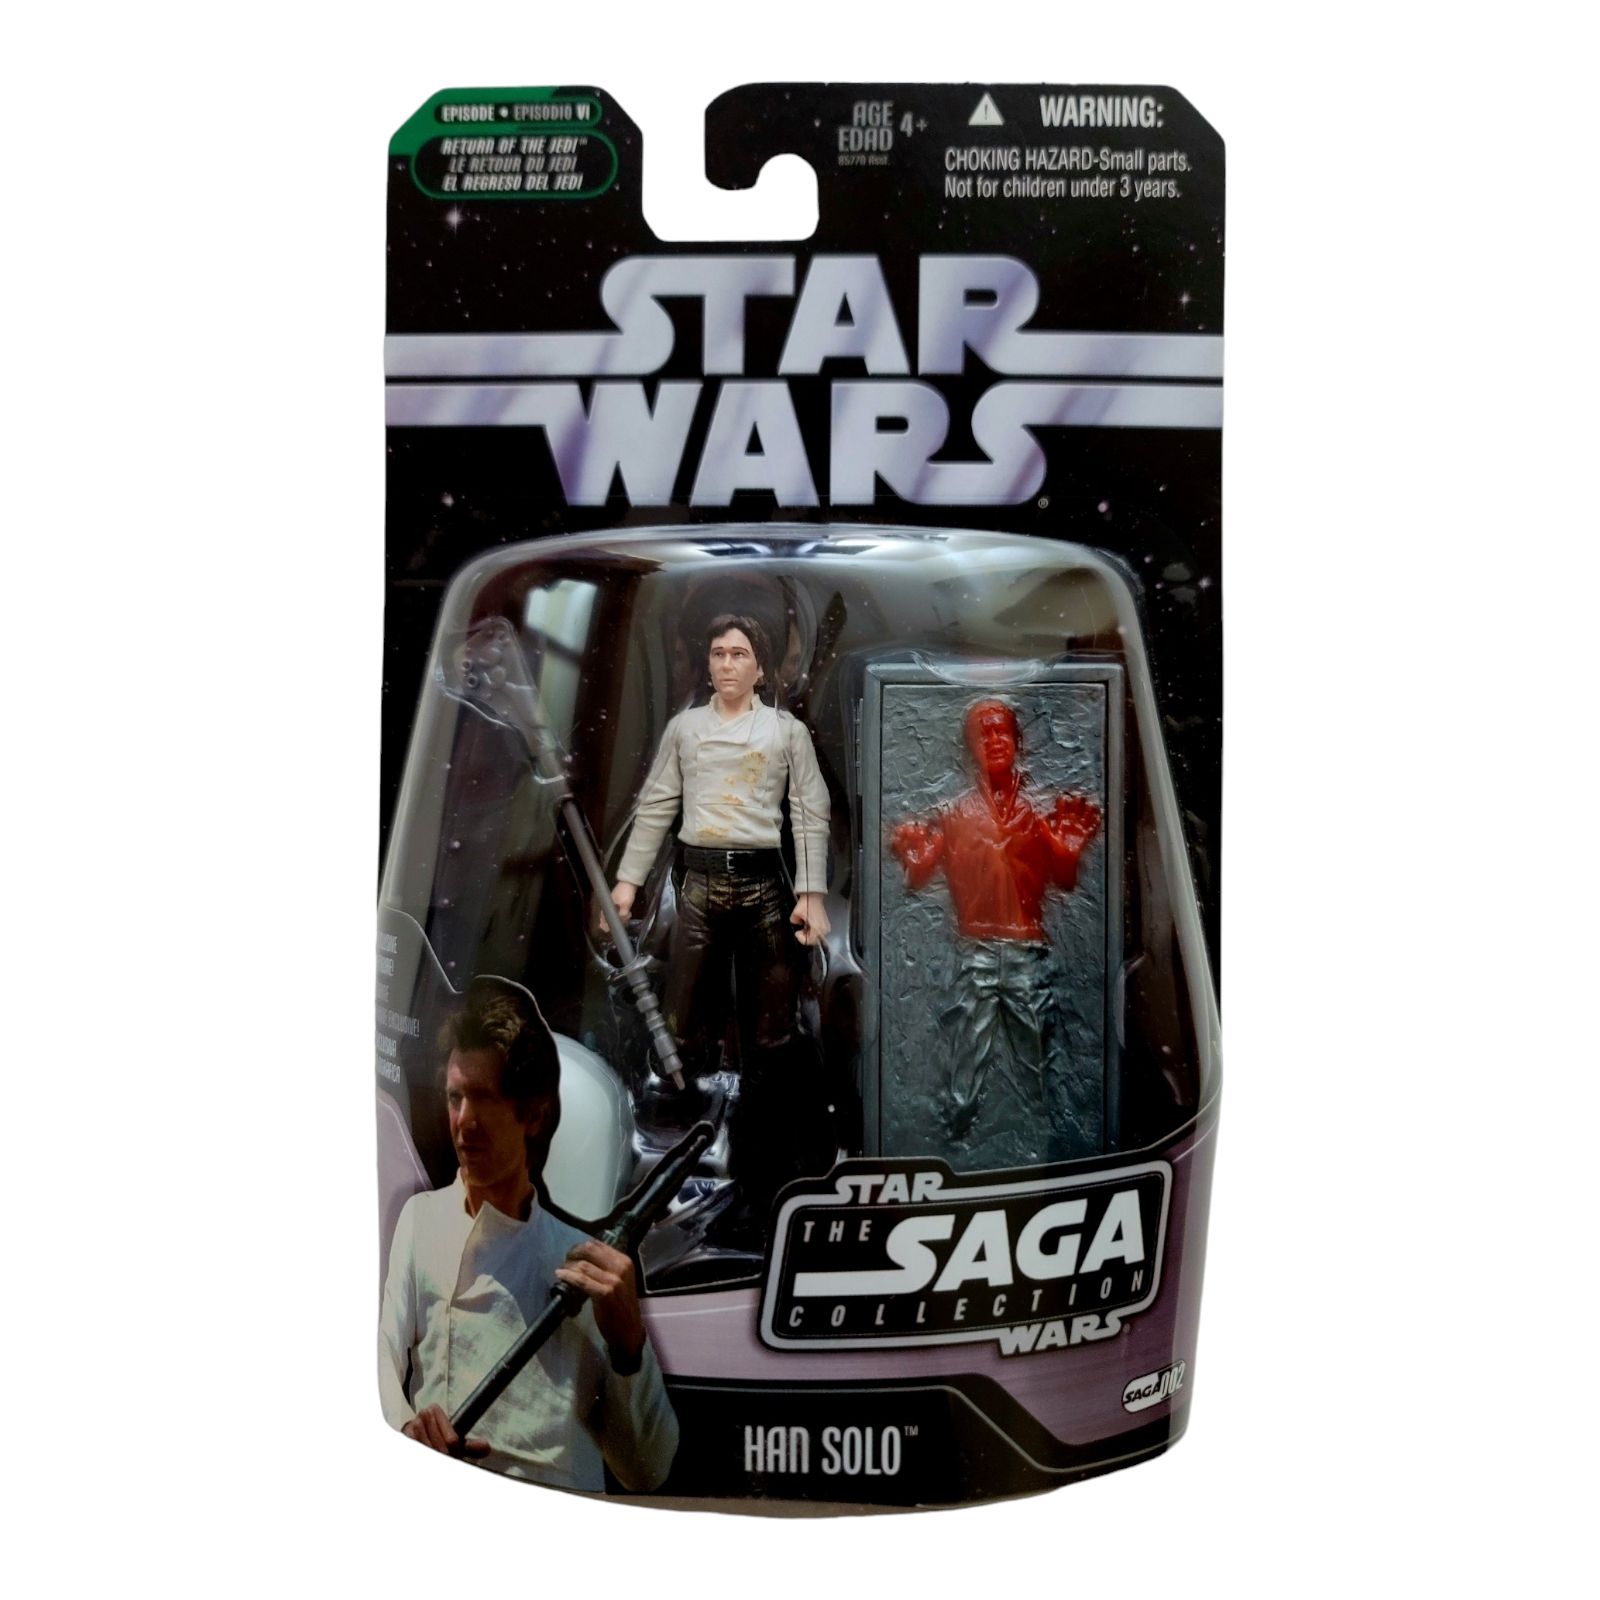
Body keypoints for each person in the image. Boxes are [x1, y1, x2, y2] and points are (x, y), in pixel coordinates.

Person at [378, 977, 679, 1491]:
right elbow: (384, 1353)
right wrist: (406, 1429)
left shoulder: (582, 1266)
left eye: (483, 1099)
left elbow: (647, 1469)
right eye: (455, 1097)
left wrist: (630, 1344)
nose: (464, 1122)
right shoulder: (419, 1218)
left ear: (534, 1115)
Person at [607, 614, 831, 1212]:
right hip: (700, 888)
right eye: (718, 654)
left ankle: (767, 1164)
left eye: (739, 654)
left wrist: (811, 893)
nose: (727, 664)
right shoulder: (686, 729)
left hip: (763, 889)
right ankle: (676, 1148)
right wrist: (628, 883)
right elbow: (657, 804)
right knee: (678, 1023)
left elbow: (809, 810)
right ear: (707, 664)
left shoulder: (784, 732)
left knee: (772, 1036)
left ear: (761, 666)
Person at [891, 699, 1102, 1156]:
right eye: (982, 733)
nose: (994, 740)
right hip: (976, 953)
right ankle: (952, 1148)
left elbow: (1065, 882)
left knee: (1040, 1062)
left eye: (1001, 730)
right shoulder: (953, 813)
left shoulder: (1038, 812)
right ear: (969, 747)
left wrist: (1067, 856)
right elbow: (919, 877)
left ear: (1017, 740)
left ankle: (1051, 1148)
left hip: (1027, 953)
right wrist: (917, 864)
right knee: (963, 1061)